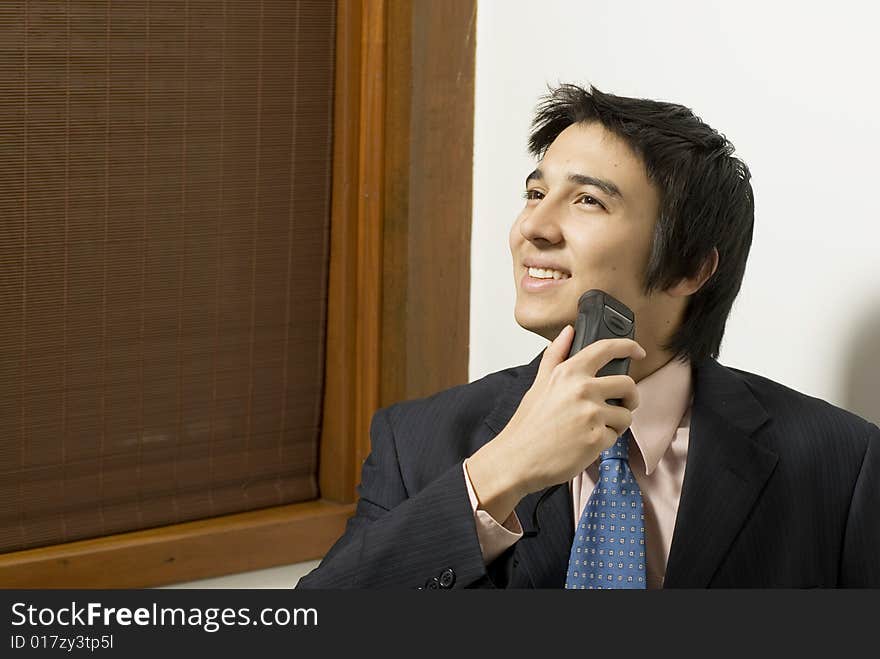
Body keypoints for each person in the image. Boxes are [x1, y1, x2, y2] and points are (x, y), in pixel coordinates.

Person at [296, 84, 879, 589]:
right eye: (533, 193)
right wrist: (500, 473)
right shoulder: (418, 442)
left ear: (691, 268)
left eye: (587, 200)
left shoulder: (841, 462)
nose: (533, 227)